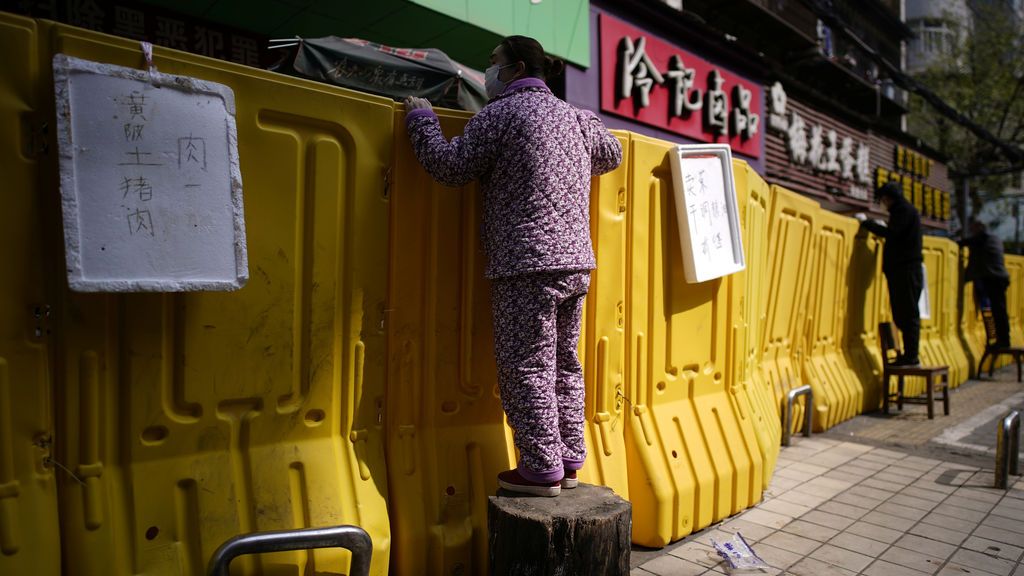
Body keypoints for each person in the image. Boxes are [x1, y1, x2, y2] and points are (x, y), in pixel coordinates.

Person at [403, 36, 623, 496]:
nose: (488, 72)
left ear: (516, 67)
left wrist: (422, 120)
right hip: (576, 263)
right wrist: (588, 121)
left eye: (493, 63)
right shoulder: (576, 118)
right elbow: (612, 155)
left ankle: (541, 467)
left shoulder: (500, 115)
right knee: (564, 362)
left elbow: (450, 167)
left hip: (525, 263)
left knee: (527, 366)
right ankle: (568, 456)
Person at [855, 181, 924, 365]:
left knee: (908, 314)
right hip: (906, 271)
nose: (883, 204)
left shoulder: (903, 211)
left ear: (887, 198)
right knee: (904, 314)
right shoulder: (907, 211)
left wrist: (866, 223)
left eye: (883, 200)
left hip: (906, 271)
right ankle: (910, 355)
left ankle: (911, 357)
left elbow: (892, 234)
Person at [961, 218, 1011, 348]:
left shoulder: (982, 239)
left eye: (973, 229)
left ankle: (1003, 341)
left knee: (998, 311)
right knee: (999, 310)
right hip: (1001, 278)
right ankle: (1004, 339)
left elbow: (966, 243)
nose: (972, 231)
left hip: (994, 279)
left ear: (978, 228)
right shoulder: (995, 239)